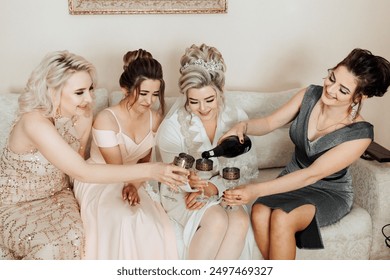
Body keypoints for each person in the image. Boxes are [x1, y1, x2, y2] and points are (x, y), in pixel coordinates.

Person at [0, 50, 188, 260]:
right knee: (51, 246)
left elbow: (76, 162)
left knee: (76, 237)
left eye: (90, 89)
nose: (89, 98)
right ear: (53, 91)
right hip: (18, 203)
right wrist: (153, 170)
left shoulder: (82, 113)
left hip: (58, 196)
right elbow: (82, 171)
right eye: (79, 92)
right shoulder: (33, 122)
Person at [222, 48, 390, 260]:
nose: (330, 89)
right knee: (260, 212)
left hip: (328, 191)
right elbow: (269, 122)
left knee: (283, 217)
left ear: (359, 97)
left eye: (343, 90)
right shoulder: (309, 95)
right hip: (291, 177)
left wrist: (255, 189)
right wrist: (243, 126)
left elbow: (311, 175)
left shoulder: (361, 134)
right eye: (332, 78)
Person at [155, 43, 259, 259]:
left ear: (220, 91)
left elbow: (244, 169)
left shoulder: (236, 117)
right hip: (182, 192)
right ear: (185, 96)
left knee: (239, 221)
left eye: (209, 100)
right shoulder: (172, 127)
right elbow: (172, 176)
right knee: (217, 220)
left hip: (222, 186)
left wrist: (214, 187)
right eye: (194, 101)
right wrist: (191, 183)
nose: (202, 108)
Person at [73, 49, 179, 259]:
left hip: (136, 178)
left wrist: (136, 185)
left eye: (155, 94)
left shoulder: (155, 119)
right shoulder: (106, 119)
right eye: (144, 93)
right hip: (101, 179)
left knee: (152, 223)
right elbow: (119, 170)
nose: (150, 101)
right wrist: (133, 182)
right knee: (124, 219)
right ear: (125, 89)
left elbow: (145, 160)